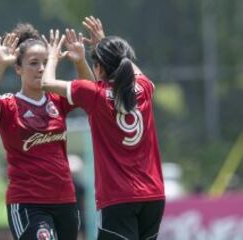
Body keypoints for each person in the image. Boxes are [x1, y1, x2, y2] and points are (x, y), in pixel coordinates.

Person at [41, 17, 165, 240]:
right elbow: (128, 67)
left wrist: (51, 57)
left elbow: (46, 83)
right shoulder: (144, 88)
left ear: (98, 68)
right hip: (153, 196)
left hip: (118, 198)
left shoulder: (96, 95)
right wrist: (103, 41)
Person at [0, 22, 92, 240]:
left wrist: (81, 61)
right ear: (18, 68)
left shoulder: (57, 99)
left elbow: (91, 94)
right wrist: (0, 65)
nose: (40, 68)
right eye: (33, 63)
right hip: (29, 202)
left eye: (45, 63)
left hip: (65, 199)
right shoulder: (9, 106)